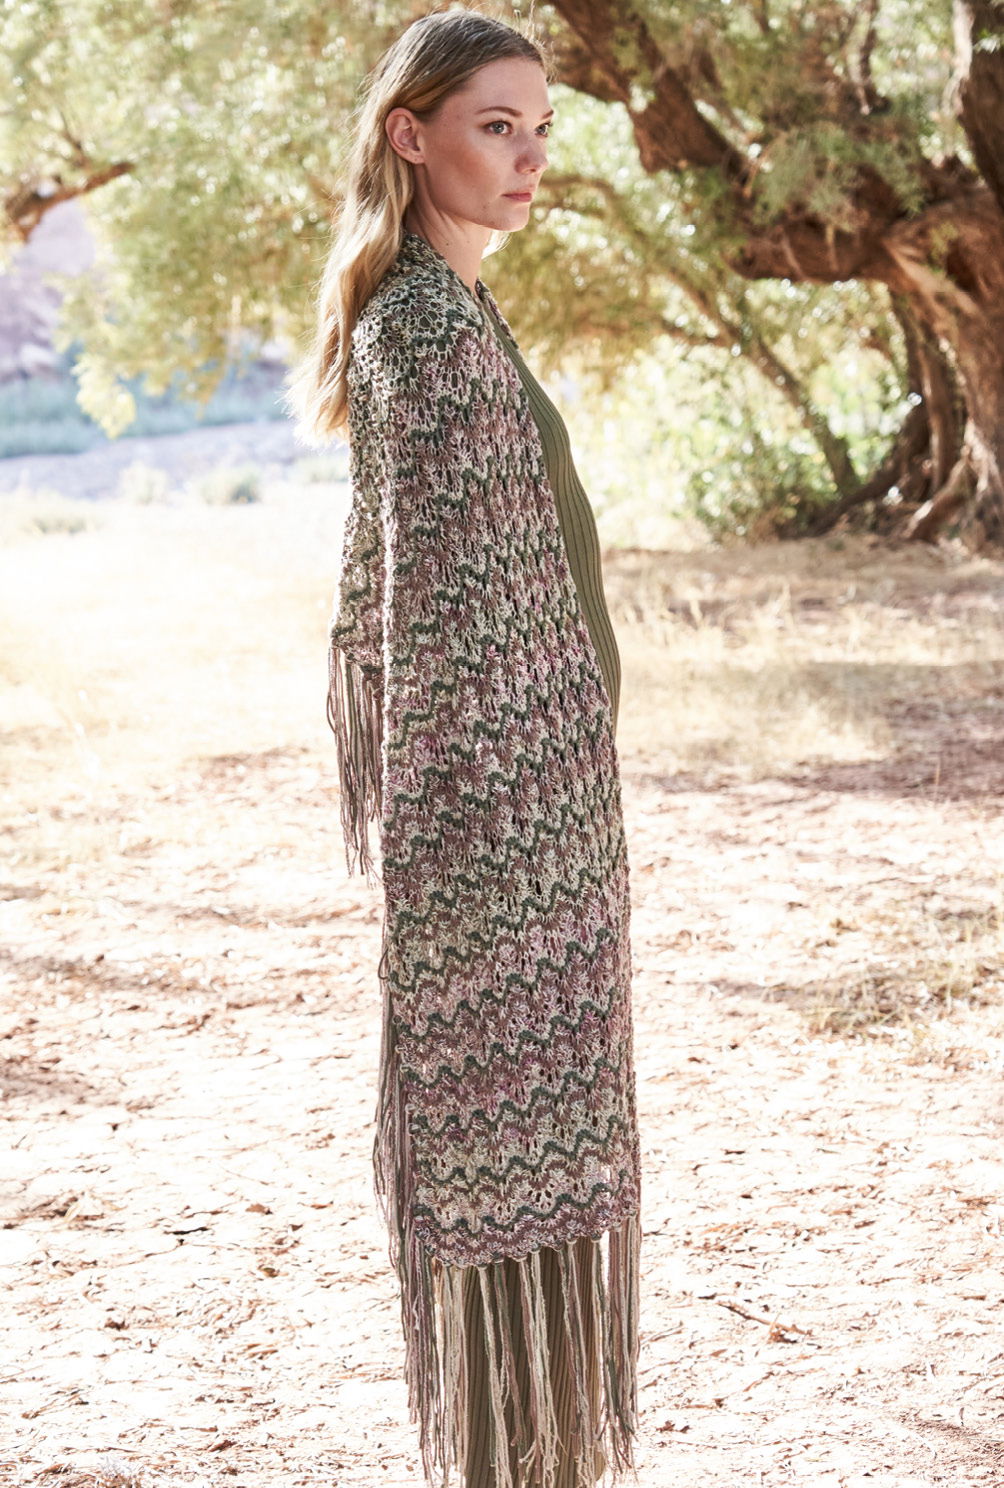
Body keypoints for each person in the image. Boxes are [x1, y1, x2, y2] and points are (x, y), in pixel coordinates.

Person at [284, 10, 641, 1487]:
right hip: (499, 831)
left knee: (535, 1158)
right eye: (497, 125)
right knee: (510, 1159)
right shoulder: (424, 331)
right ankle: (517, 1457)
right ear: (410, 132)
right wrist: (494, 824)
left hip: (541, 814)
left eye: (540, 128)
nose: (529, 155)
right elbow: (435, 618)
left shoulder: (456, 310)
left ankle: (535, 1453)